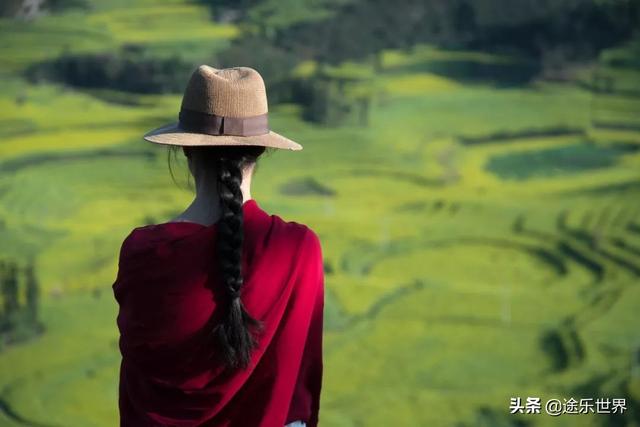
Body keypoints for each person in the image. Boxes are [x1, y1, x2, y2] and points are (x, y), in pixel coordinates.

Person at [112, 66, 324, 427]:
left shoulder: (142, 253)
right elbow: (301, 386)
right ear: (260, 152)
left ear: (185, 152)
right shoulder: (298, 249)